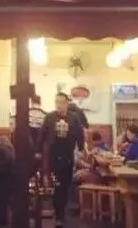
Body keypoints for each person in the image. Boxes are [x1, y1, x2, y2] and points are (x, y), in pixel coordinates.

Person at [37, 92, 85, 227]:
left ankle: (61, 211)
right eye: (56, 102)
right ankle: (59, 216)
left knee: (65, 185)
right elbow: (42, 134)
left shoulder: (74, 118)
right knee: (57, 185)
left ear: (66, 103)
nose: (58, 105)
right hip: (53, 155)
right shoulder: (50, 117)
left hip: (68, 155)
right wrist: (37, 151)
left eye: (61, 102)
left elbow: (80, 134)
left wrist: (81, 149)